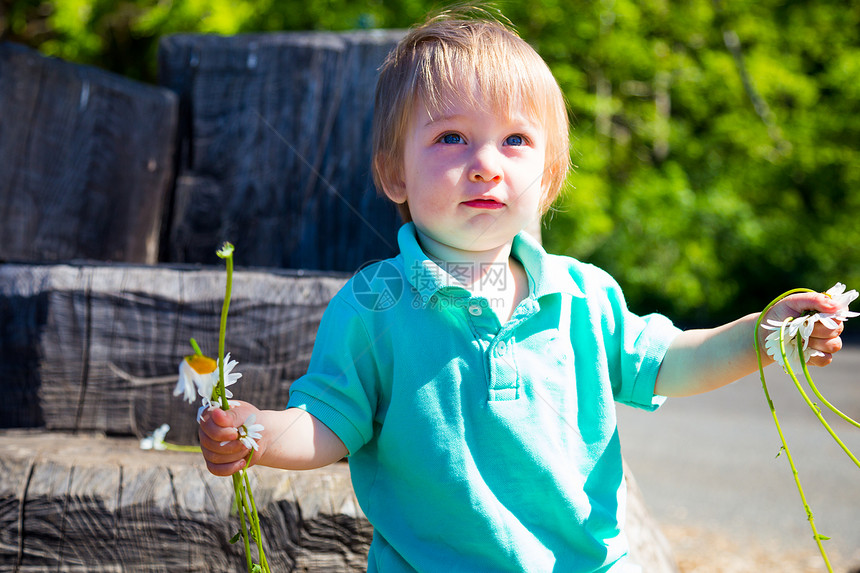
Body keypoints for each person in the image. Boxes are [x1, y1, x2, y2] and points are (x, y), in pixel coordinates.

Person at [198, 8, 846, 572]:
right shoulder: (375, 306)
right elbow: (326, 424)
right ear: (393, 172)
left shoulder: (583, 296)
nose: (485, 162)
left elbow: (677, 359)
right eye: (451, 137)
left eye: (515, 140)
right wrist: (259, 432)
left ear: (549, 175)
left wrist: (767, 332)